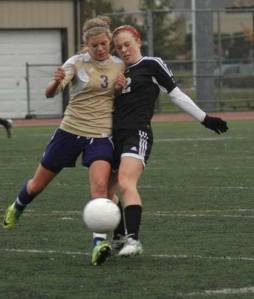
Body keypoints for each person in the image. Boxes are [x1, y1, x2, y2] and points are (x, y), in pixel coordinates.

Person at [3, 16, 124, 266]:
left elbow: (119, 97)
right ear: (86, 46)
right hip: (69, 131)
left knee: (100, 188)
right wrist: (56, 80)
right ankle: (17, 206)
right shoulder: (76, 63)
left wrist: (121, 89)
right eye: (95, 46)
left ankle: (99, 243)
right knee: (37, 185)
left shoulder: (119, 66)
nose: (100, 49)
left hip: (101, 134)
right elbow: (50, 93)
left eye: (103, 44)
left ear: (109, 42)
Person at [110, 25, 228, 256]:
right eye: (119, 47)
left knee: (125, 182)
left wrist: (204, 118)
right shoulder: (117, 71)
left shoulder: (151, 64)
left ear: (138, 41)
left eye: (127, 44)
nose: (124, 50)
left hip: (137, 133)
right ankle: (118, 236)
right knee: (105, 189)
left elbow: (175, 93)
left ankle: (133, 240)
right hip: (112, 135)